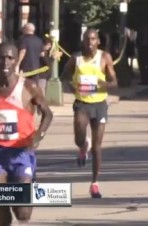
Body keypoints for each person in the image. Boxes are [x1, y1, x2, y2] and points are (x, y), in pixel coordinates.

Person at [0, 43, 53, 226]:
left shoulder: (29, 87)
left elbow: (48, 114)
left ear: (16, 60)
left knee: (22, 213)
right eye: (1, 57)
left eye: (10, 58)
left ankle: (27, 192)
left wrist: (37, 136)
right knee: (3, 209)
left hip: (21, 152)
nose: (5, 62)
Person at [62, 28, 118, 198]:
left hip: (99, 104)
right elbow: (64, 76)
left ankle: (94, 183)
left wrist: (105, 84)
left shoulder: (104, 57)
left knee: (97, 147)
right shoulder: (76, 58)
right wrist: (71, 86)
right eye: (87, 39)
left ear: (98, 41)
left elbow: (114, 82)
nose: (90, 43)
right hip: (82, 103)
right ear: (83, 41)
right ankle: (82, 146)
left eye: (93, 39)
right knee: (79, 136)